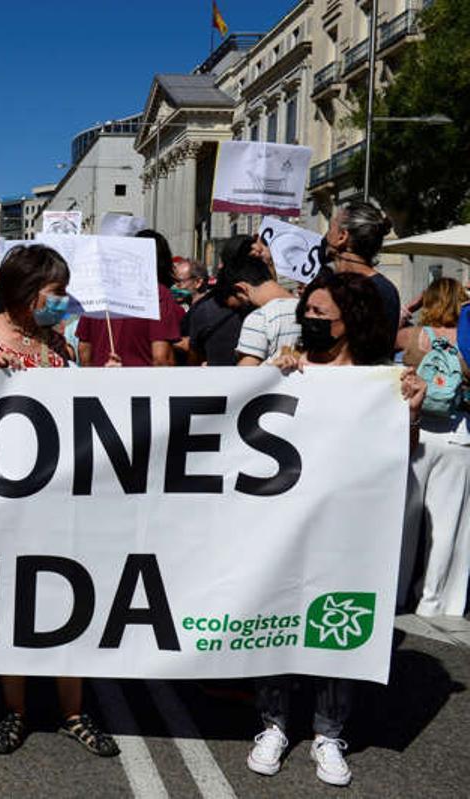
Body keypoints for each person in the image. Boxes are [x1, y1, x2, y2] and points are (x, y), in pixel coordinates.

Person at [249, 271, 424, 787]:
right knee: (278, 614)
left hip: (348, 527)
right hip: (282, 522)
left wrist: (409, 411)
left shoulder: (379, 381)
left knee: (337, 623)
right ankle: (274, 724)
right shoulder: (288, 366)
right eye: (307, 312)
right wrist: (270, 373)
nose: (310, 320)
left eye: (322, 316)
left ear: (351, 323)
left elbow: (401, 455)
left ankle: (329, 732)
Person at [0, 245, 118, 758]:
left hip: (59, 497)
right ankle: (16, 710)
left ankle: (73, 710)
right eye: (55, 292)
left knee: (72, 602)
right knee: (12, 605)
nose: (63, 302)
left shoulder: (60, 345)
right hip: (2, 499)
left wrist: (109, 383)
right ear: (25, 293)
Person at [398, 278, 470, 617]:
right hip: (459, 435)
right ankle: (435, 601)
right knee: (447, 527)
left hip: (416, 431)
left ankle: (396, 591)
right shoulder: (467, 339)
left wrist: (408, 309)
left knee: (404, 520)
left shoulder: (416, 336)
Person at [76, 230, 184, 367]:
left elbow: (84, 350)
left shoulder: (100, 291)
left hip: (99, 382)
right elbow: (161, 357)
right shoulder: (157, 294)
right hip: (142, 385)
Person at [324, 201, 400, 347]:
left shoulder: (376, 290)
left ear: (342, 237)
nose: (326, 236)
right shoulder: (386, 288)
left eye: (330, 228)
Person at [181, 237, 255, 366]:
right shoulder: (203, 310)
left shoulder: (205, 310)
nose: (219, 266)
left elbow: (193, 359)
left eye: (181, 281)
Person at [217, 255, 303, 366]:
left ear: (241, 289)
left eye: (239, 306)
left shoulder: (260, 318)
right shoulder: (312, 309)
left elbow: (246, 376)